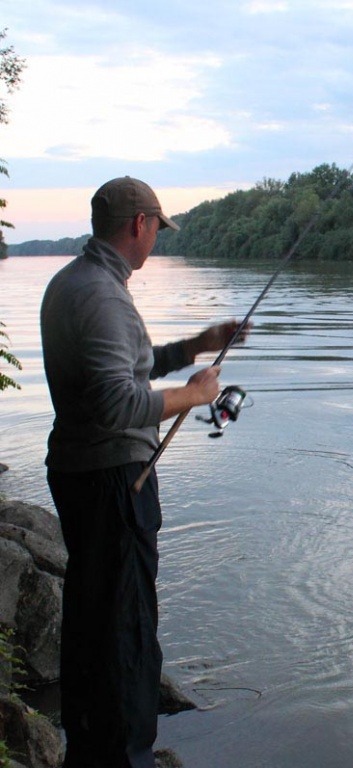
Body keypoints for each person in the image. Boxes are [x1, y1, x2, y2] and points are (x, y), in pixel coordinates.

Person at [40, 176, 249, 767]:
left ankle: (87, 747)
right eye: (157, 227)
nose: (156, 237)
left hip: (84, 475)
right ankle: (125, 755)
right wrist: (193, 394)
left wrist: (197, 345)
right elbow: (116, 405)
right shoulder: (103, 297)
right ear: (139, 224)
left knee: (93, 621)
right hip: (113, 484)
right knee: (126, 633)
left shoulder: (74, 283)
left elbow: (129, 369)